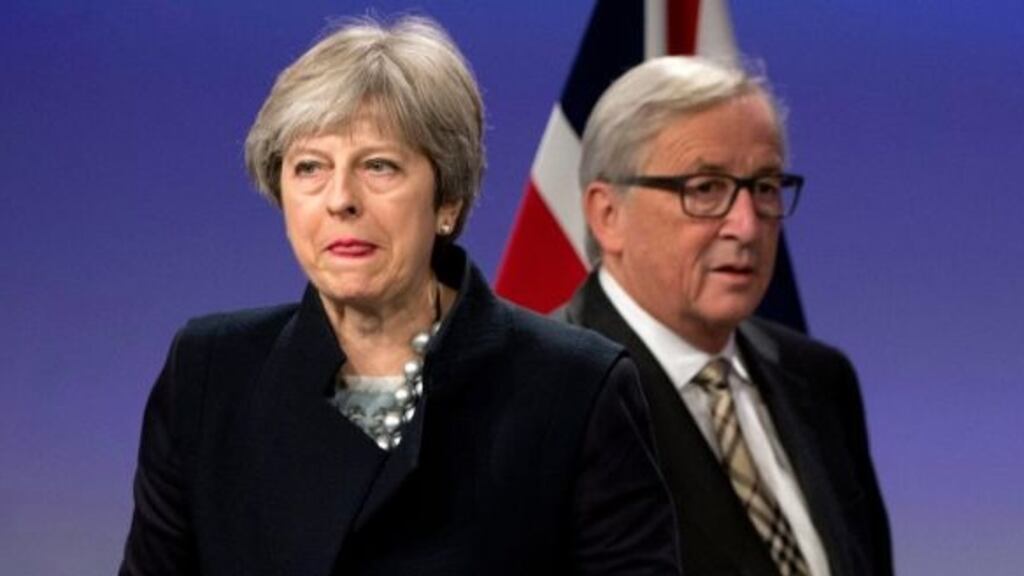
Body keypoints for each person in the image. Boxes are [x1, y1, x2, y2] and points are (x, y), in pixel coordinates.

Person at [119, 16, 680, 576]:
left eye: (379, 166)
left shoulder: (577, 388)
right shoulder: (209, 374)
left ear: (448, 201)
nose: (341, 199)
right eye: (310, 167)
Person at [561, 56, 892, 576]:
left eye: (764, 187)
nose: (746, 225)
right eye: (705, 188)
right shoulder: (541, 393)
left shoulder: (821, 379)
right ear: (608, 214)